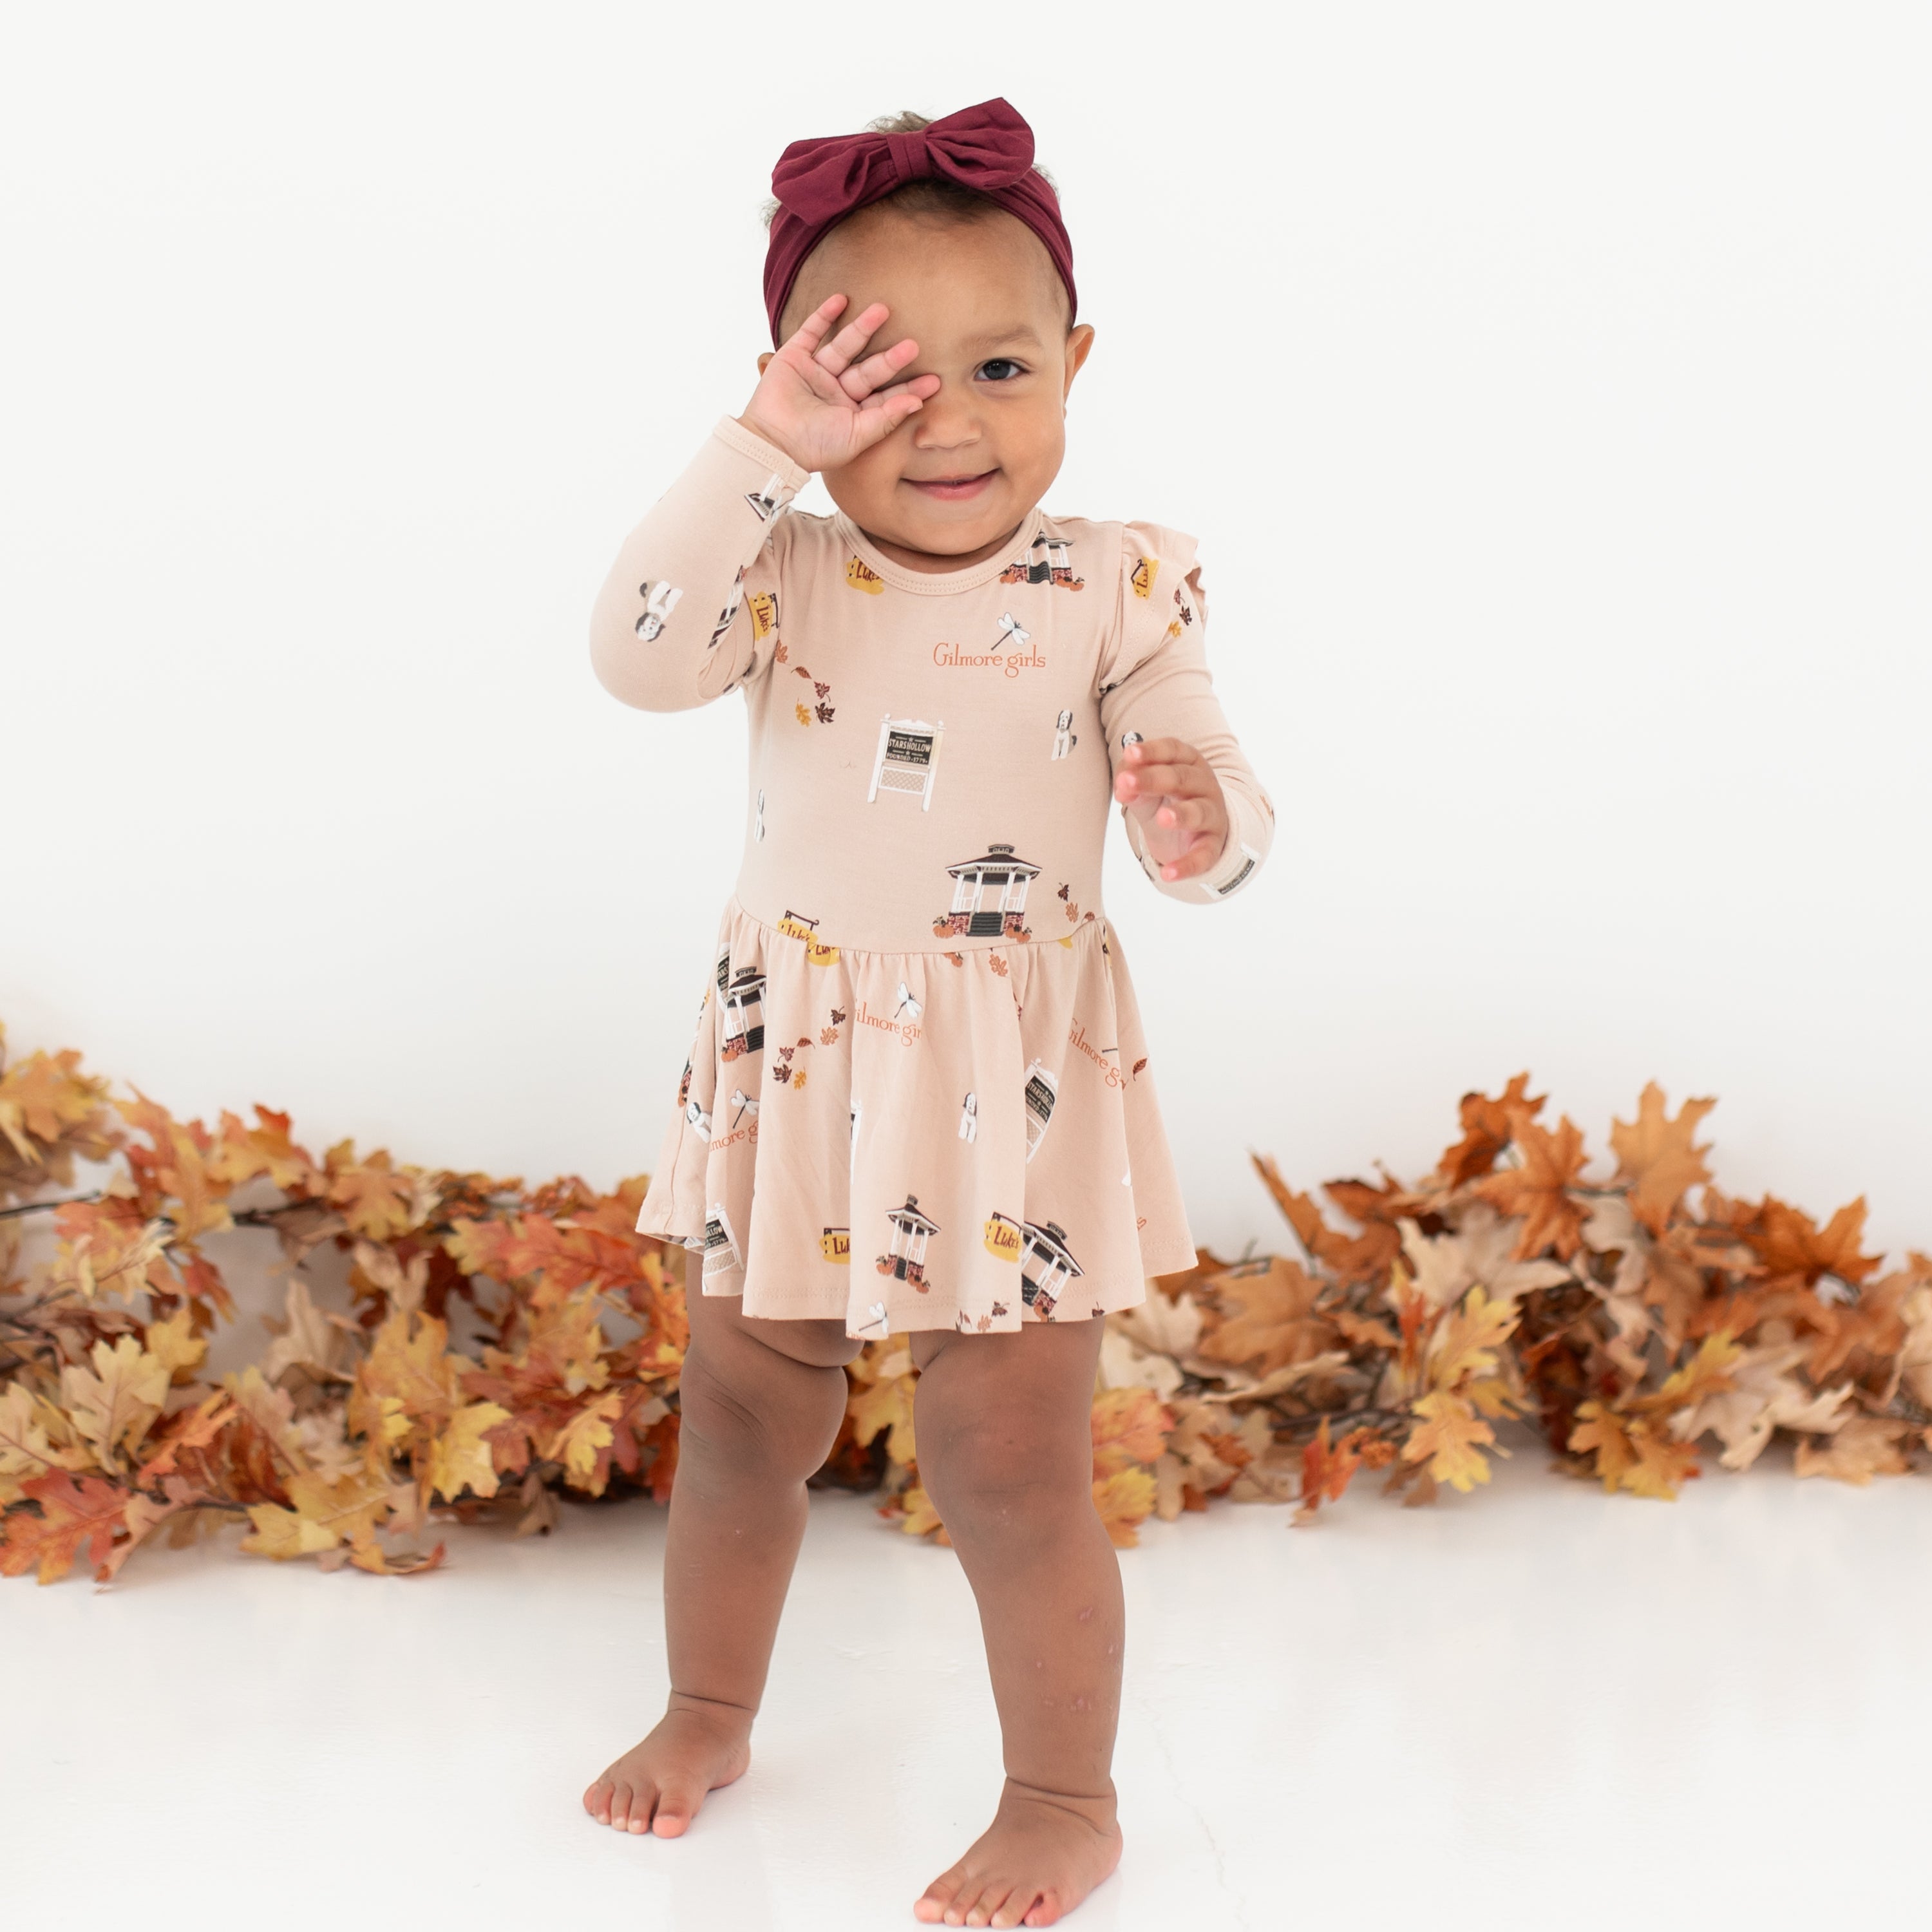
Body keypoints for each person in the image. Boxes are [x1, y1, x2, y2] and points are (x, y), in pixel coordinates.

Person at [582, 97, 1274, 1931]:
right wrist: (757, 452)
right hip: (796, 1059)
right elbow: (637, 651)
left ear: (1076, 364)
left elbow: (1201, 761)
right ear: (802, 385)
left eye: (999, 365)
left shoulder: (1121, 577)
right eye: (886, 381)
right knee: (737, 1413)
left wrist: (1198, 814)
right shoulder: (784, 572)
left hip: (1011, 1073)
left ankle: (1064, 1793)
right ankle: (708, 1707)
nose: (950, 421)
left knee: (1010, 1460)